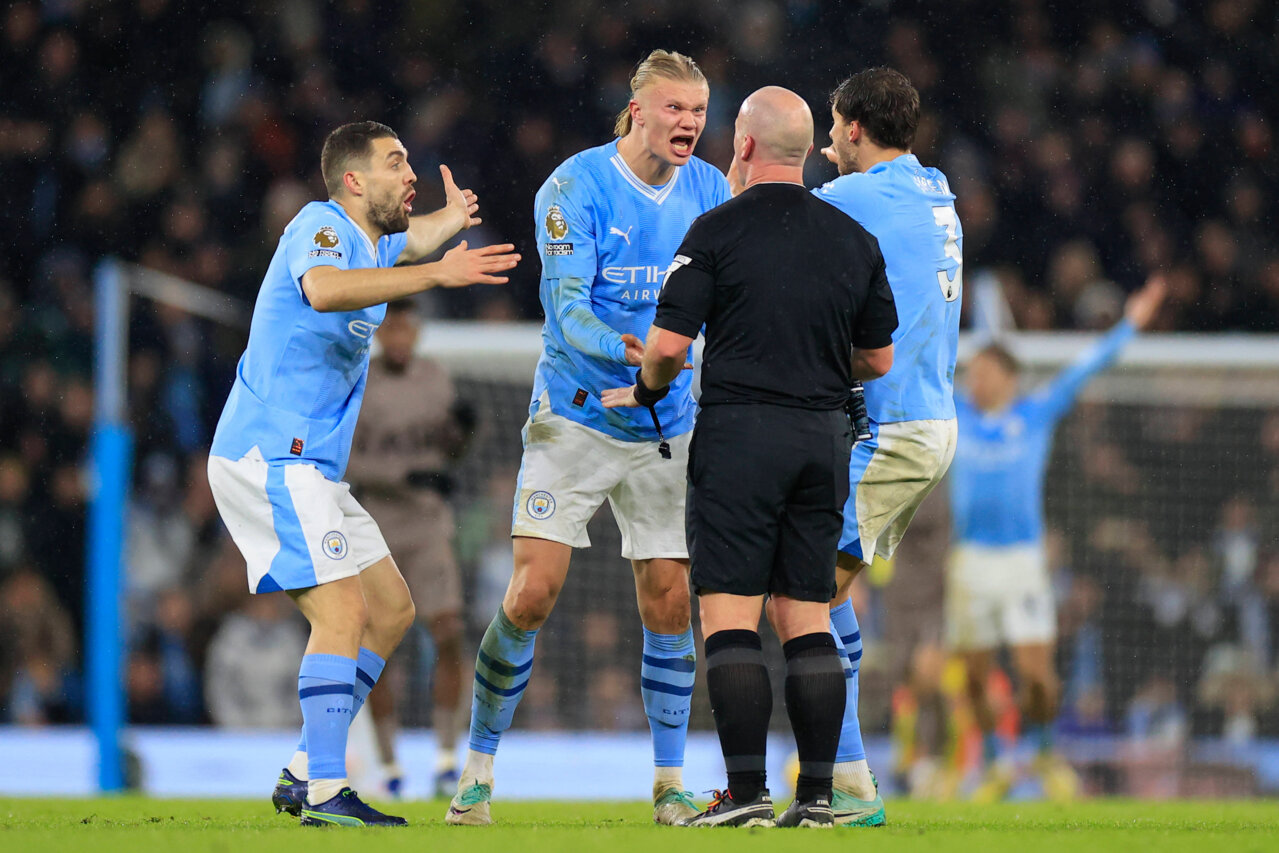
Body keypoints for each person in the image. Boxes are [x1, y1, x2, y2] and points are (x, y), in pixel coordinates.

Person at [446, 49, 731, 827]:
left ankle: (670, 784)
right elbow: (567, 312)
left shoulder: (711, 190)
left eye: (699, 112)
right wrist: (638, 354)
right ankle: (475, 771)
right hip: (576, 413)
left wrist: (679, 365)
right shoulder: (574, 188)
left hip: (666, 420)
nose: (689, 124)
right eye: (675, 109)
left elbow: (734, 300)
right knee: (532, 592)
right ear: (636, 110)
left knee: (671, 599)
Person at [206, 120, 519, 828]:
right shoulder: (319, 226)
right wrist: (437, 271)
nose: (409, 171)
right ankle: (324, 789)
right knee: (342, 612)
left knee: (393, 609)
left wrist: (451, 220)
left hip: (311, 466)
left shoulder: (372, 241)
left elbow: (408, 240)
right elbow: (321, 289)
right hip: (269, 455)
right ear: (353, 180)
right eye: (395, 162)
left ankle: (300, 768)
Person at [605, 86, 898, 828]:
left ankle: (744, 794)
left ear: (742, 147)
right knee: (807, 615)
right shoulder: (852, 239)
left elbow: (669, 347)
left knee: (730, 616)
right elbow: (879, 357)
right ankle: (820, 796)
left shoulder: (715, 230)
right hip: (821, 440)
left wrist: (646, 386)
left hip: (739, 435)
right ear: (804, 151)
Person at [809, 66, 963, 826]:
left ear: (855, 128)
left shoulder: (854, 196)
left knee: (804, 594)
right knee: (824, 589)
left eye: (834, 127)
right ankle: (844, 775)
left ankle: (847, 783)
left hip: (894, 426)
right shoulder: (932, 186)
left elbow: (773, 238)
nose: (827, 142)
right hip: (925, 420)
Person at [949, 275, 1166, 802]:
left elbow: (1087, 367)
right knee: (976, 679)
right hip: (970, 563)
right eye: (971, 372)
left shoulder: (1034, 414)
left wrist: (1130, 324)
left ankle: (1044, 752)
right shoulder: (957, 414)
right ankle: (998, 765)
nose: (973, 380)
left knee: (1035, 674)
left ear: (1007, 377)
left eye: (982, 372)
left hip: (1022, 561)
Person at [346, 298, 475, 797]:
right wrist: (403, 475)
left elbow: (449, 449)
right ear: (380, 332)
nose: (400, 338)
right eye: (392, 328)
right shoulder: (361, 380)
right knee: (381, 644)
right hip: (375, 522)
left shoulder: (436, 379)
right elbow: (348, 460)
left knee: (448, 631)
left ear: (416, 332)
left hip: (426, 523)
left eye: (408, 329)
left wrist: (462, 437)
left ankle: (445, 757)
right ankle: (389, 763)